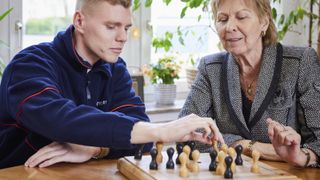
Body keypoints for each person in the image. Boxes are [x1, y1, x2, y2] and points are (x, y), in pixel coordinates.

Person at [0, 0, 224, 169]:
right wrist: (162, 130)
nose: (123, 37)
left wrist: (96, 148)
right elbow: (58, 119)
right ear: (80, 21)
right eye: (111, 26)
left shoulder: (115, 69)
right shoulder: (30, 64)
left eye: (126, 27)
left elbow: (141, 138)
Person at [179, 0, 320, 168]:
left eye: (242, 17)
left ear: (264, 22)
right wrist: (247, 146)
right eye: (222, 19)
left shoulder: (299, 62)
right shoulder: (211, 69)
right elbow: (185, 133)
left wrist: (300, 156)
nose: (229, 27)